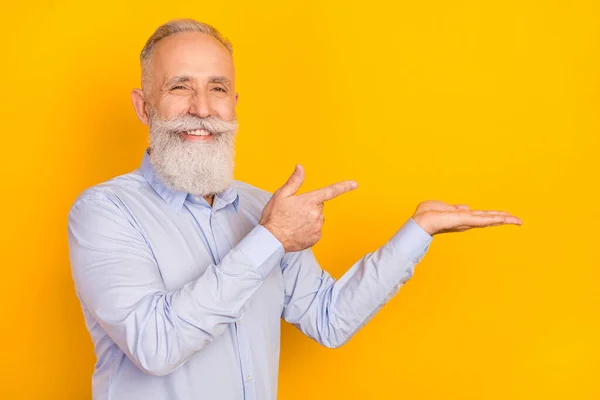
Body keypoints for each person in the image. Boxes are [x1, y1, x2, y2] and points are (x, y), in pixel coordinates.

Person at [67, 19, 522, 400]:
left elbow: (330, 317)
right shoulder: (104, 212)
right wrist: (271, 240)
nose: (202, 108)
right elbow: (156, 346)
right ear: (144, 107)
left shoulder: (262, 208)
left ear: (234, 105)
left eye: (218, 88)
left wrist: (417, 231)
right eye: (179, 87)